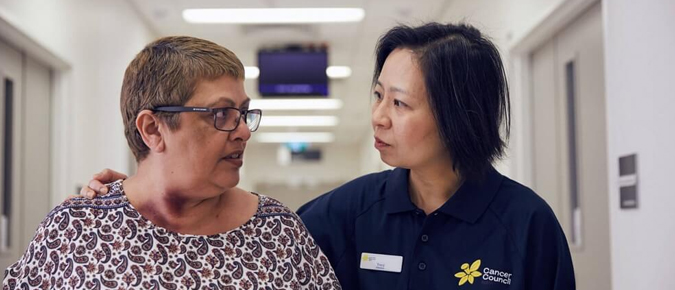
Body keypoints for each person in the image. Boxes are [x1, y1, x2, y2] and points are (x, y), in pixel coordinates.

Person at [79, 23, 575, 290]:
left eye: (399, 104)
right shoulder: (347, 214)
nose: (378, 117)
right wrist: (143, 198)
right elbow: (248, 246)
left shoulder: (526, 225)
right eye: (377, 95)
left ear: (459, 116)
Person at [2, 36, 341, 290]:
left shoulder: (278, 232)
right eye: (221, 114)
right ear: (153, 129)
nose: (242, 132)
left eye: (242, 114)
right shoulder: (77, 231)